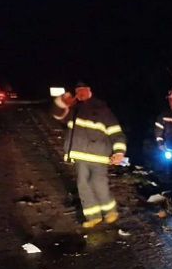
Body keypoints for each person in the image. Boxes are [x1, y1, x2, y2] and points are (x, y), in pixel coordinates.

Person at [52, 81, 127, 228]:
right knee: (83, 184)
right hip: (80, 155)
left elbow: (116, 132)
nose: (80, 93)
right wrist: (62, 102)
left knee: (98, 183)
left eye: (83, 90)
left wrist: (119, 152)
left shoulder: (101, 108)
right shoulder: (73, 109)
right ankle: (93, 216)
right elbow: (57, 116)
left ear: (89, 90)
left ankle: (110, 212)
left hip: (99, 155)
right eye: (77, 90)